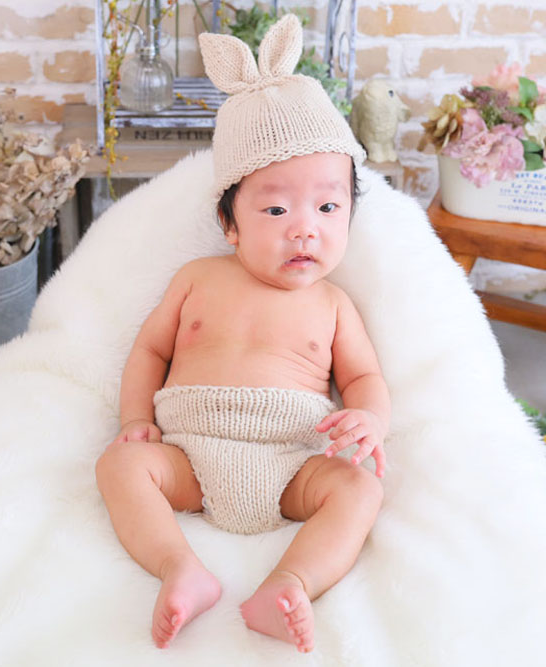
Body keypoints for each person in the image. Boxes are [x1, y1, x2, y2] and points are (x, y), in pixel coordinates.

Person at [94, 15, 389, 654]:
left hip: (291, 461)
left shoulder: (334, 304)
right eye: (276, 209)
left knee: (360, 490)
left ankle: (289, 585)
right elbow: (150, 349)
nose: (304, 228)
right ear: (230, 224)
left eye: (328, 207)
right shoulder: (197, 278)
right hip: (190, 454)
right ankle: (180, 569)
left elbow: (364, 377)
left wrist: (371, 420)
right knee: (120, 466)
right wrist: (135, 420)